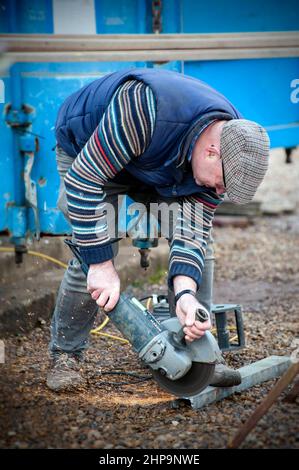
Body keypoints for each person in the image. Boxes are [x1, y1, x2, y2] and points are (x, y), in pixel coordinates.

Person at [47, 68, 269, 391]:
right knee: (95, 247)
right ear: (210, 152)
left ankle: (198, 352)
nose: (219, 193)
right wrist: (100, 264)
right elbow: (84, 179)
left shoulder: (232, 146)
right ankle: (65, 355)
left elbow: (191, 232)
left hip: (162, 163)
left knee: (201, 246)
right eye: (221, 184)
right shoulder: (144, 110)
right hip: (90, 153)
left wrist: (186, 295)